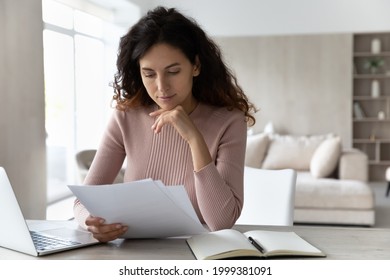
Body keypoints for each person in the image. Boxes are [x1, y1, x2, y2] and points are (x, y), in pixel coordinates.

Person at [73, 6, 256, 242]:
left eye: (173, 71)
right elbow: (82, 201)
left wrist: (194, 138)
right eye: (149, 74)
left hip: (199, 255)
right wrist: (91, 223)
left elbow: (221, 222)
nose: (161, 87)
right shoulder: (125, 117)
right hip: (136, 253)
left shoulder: (230, 122)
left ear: (196, 66)